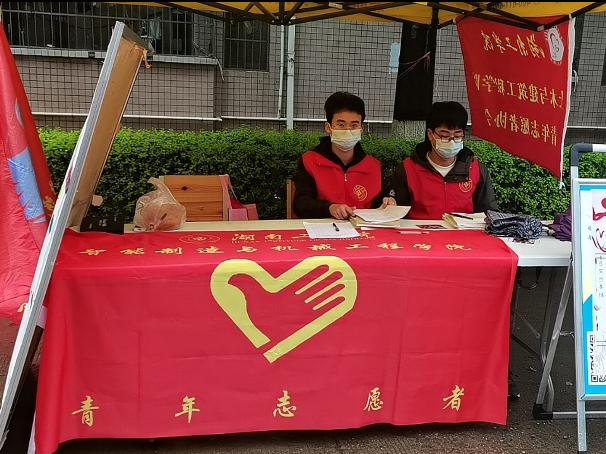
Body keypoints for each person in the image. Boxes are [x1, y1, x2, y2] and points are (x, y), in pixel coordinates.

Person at [387, 101, 498, 219]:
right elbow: (395, 213)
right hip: (419, 230)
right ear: (430, 134)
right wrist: (390, 205)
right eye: (444, 135)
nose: (451, 141)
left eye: (457, 135)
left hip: (463, 230)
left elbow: (489, 214)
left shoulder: (476, 170)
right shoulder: (408, 169)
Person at [293, 91, 394, 219]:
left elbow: (379, 202)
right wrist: (330, 208)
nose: (347, 130)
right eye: (341, 125)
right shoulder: (310, 161)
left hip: (362, 228)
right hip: (323, 227)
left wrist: (387, 203)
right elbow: (301, 204)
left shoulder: (373, 166)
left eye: (354, 125)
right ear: (328, 127)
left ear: (361, 128)